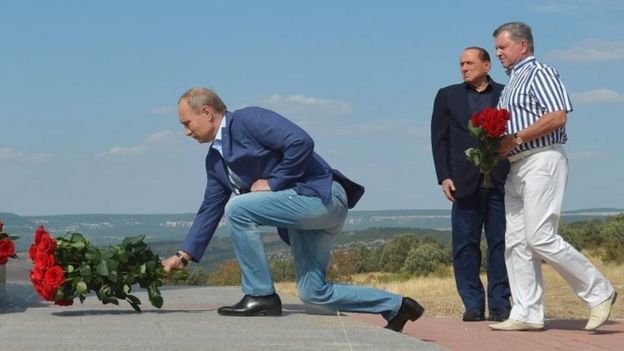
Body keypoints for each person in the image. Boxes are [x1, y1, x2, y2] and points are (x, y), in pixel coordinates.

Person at [161, 87, 424, 333]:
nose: (186, 131)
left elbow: (301, 142)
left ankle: (261, 294)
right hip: (303, 217)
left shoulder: (247, 120)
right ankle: (397, 306)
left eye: (187, 123)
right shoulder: (215, 160)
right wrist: (183, 256)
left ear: (207, 112)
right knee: (313, 293)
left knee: (238, 209)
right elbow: (210, 207)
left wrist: (274, 182)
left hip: (321, 196)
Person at [489, 22, 617, 331]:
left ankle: (599, 291)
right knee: (516, 242)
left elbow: (558, 115)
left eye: (503, 47)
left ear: (523, 46)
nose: (499, 53)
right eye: (496, 49)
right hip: (516, 166)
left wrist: (516, 138)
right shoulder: (511, 83)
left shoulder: (540, 72)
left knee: (540, 236)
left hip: (541, 159)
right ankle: (527, 311)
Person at [431, 47, 511, 322]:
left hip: (501, 182)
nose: (464, 68)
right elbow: (439, 139)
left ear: (486, 66)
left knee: (501, 244)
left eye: (469, 63)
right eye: (461, 64)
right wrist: (444, 176)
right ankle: (473, 304)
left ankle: (501, 304)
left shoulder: (506, 93)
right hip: (463, 183)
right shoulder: (447, 96)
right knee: (465, 245)